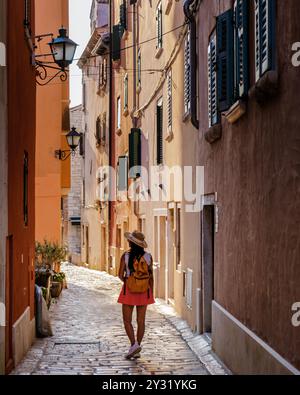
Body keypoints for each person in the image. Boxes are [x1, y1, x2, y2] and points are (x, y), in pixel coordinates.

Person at [117, 230, 155, 359]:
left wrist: (128, 282)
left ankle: (133, 345)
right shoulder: (148, 257)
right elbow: (151, 276)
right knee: (141, 321)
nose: (128, 241)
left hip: (129, 290)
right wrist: (151, 291)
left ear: (131, 242)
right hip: (144, 291)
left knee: (127, 320)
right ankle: (137, 345)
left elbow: (119, 274)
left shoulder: (125, 256)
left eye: (129, 240)